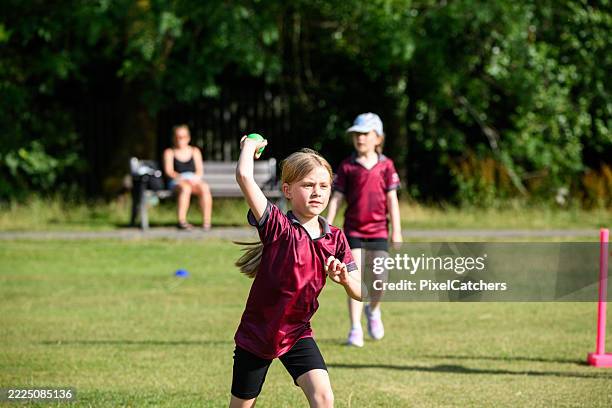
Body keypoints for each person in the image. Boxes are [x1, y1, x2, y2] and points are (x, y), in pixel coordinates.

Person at [230, 137, 361, 408]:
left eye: (324, 186)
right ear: (287, 190)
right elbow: (244, 176)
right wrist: (248, 147)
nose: (317, 192)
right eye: (308, 185)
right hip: (258, 334)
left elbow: (363, 292)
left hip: (297, 334)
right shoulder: (277, 226)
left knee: (324, 397)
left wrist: (345, 279)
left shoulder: (335, 238)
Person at [326, 112, 402, 347]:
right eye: (356, 135)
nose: (360, 139)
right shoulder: (348, 166)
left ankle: (373, 310)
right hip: (353, 231)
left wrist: (396, 231)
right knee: (354, 277)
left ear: (378, 138)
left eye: (365, 134)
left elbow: (392, 200)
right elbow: (337, 198)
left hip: (379, 230)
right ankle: (355, 328)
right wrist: (327, 225)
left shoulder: (386, 166)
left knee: (380, 279)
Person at [163, 124, 212, 230]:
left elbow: (199, 171)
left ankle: (207, 222)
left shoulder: (195, 151)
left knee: (204, 187)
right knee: (185, 188)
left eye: (183, 137)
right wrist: (182, 178)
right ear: (173, 138)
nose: (180, 139)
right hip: (177, 181)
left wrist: (194, 179)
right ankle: (182, 221)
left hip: (193, 180)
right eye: (177, 137)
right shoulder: (169, 152)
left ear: (188, 138)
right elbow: (169, 171)